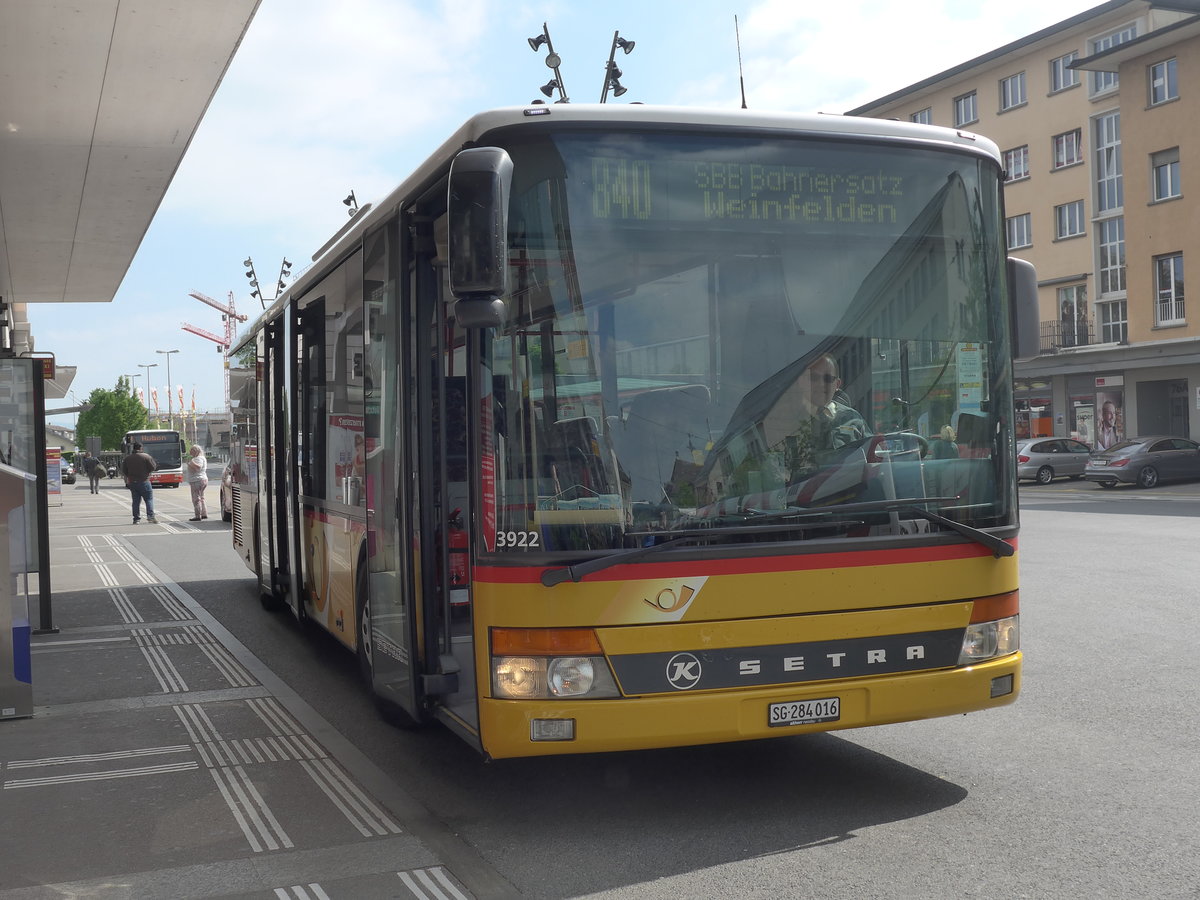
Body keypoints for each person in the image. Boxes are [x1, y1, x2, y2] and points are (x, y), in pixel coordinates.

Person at [779, 353, 868, 477]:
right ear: (801, 381)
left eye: (828, 379)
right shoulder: (782, 419)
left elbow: (872, 458)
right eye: (813, 377)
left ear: (837, 384)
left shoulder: (852, 418)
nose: (821, 384)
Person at [120, 442, 158, 524]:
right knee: (148, 499)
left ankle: (136, 519)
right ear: (141, 448)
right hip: (144, 481)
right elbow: (153, 467)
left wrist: (130, 476)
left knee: (136, 501)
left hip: (133, 483)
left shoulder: (127, 458)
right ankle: (150, 517)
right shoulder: (146, 456)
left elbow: (124, 471)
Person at [186, 444, 209, 521]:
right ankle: (204, 513)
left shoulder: (197, 459)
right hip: (203, 479)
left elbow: (198, 467)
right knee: (201, 497)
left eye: (191, 450)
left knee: (196, 499)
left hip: (197, 480)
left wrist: (190, 463)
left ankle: (197, 515)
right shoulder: (202, 458)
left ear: (196, 451)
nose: (190, 452)